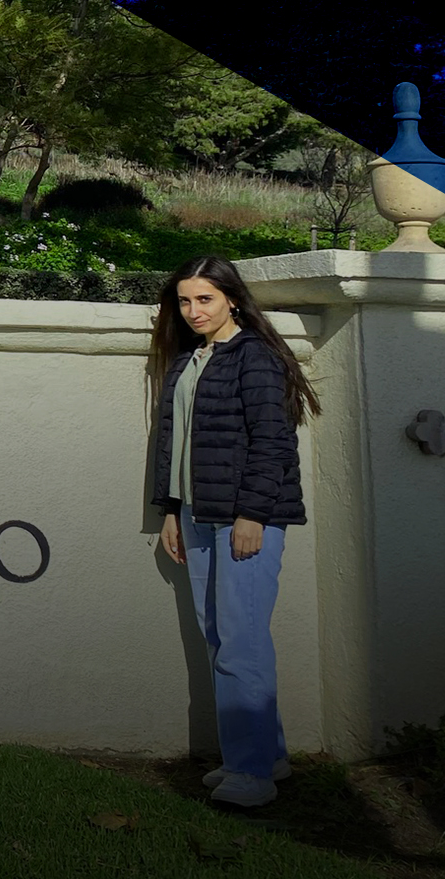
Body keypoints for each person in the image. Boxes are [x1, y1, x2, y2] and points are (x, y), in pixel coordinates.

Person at [149, 254, 319, 809]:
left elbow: (273, 444)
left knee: (240, 642)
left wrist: (252, 515)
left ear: (232, 299)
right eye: (185, 300)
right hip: (197, 516)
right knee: (223, 637)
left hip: (247, 518)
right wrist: (171, 510)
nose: (194, 310)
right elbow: (172, 445)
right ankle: (267, 755)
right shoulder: (189, 359)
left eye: (205, 299)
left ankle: (249, 773)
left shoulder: (255, 357)